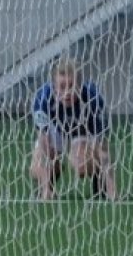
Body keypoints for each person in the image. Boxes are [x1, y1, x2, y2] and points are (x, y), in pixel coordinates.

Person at [28, 58, 115, 201]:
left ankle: (100, 182)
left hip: (81, 129)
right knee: (36, 167)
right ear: (54, 86)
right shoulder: (42, 99)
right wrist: (45, 188)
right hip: (56, 129)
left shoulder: (93, 98)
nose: (67, 92)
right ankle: (48, 186)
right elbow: (44, 143)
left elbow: (103, 149)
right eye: (62, 86)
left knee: (82, 166)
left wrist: (113, 191)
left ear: (80, 85)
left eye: (72, 86)